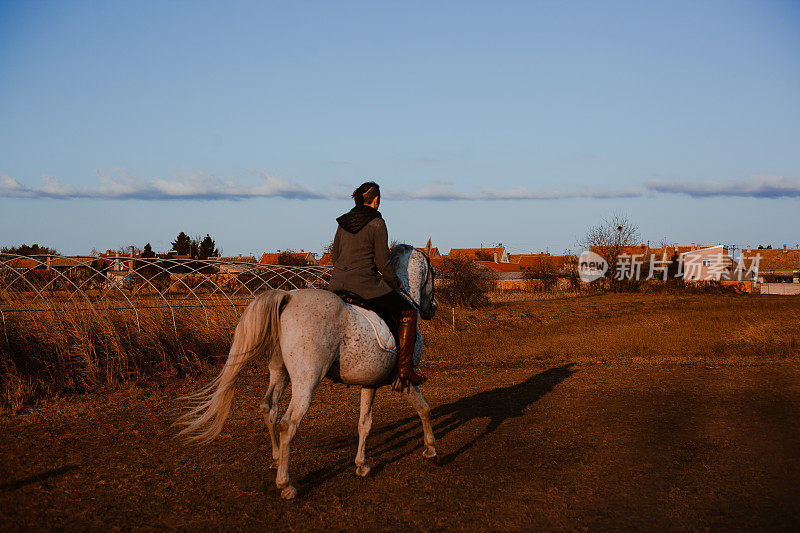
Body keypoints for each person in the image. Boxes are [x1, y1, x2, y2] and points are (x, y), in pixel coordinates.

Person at [328, 181, 426, 388]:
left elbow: (335, 256)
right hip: (364, 285)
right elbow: (383, 261)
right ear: (376, 200)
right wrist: (393, 282)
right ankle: (406, 368)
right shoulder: (377, 222)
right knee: (408, 312)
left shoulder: (343, 222)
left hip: (336, 284)